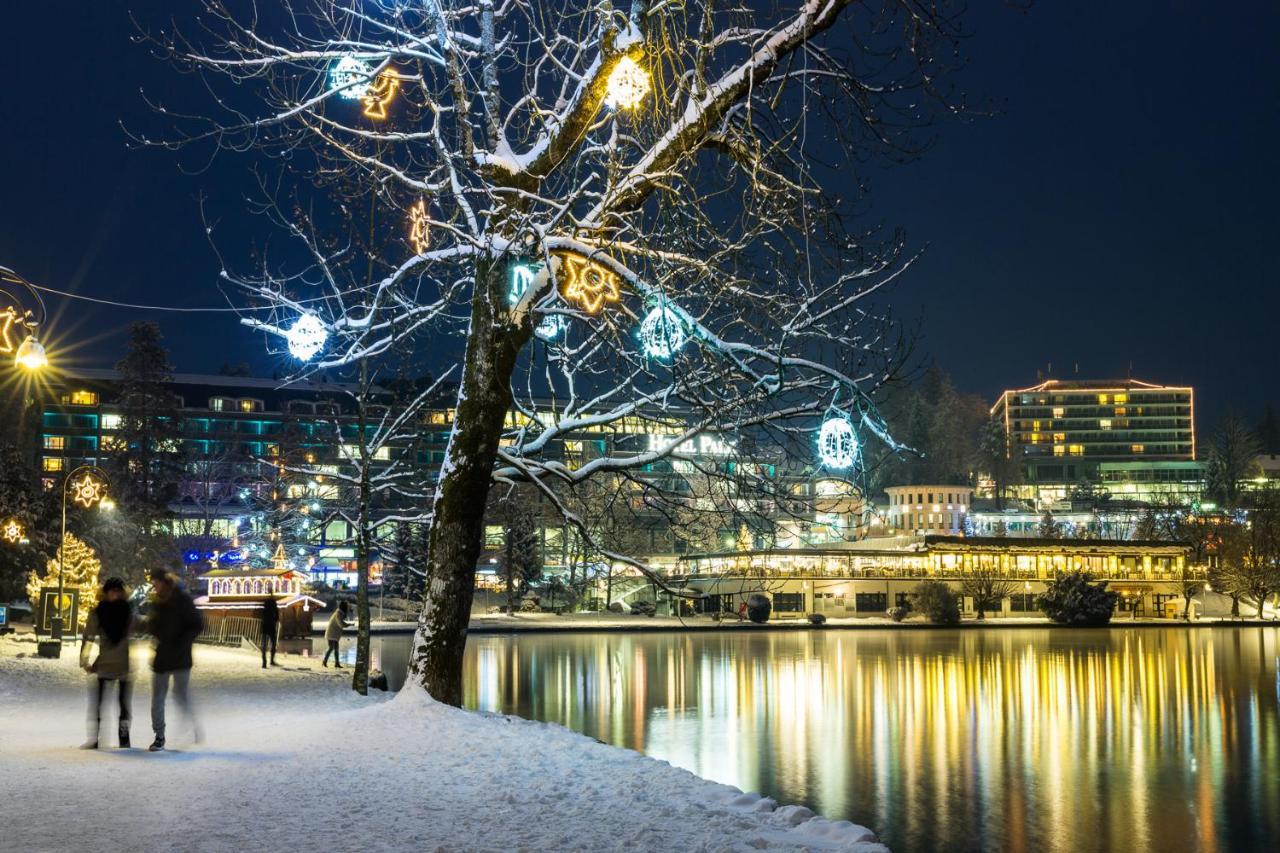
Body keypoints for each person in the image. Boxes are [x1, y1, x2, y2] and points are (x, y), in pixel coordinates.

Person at [146, 570, 205, 752]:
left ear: (165, 583)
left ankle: (190, 726)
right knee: (157, 698)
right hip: (163, 656)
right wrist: (153, 629)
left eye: (156, 583)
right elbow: (154, 625)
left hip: (180, 656)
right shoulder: (157, 603)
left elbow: (197, 624)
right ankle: (159, 736)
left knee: (181, 696)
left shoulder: (183, 600)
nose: (154, 587)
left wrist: (182, 642)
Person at [79, 577, 134, 749]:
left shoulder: (126, 612)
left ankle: (123, 740)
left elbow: (142, 625)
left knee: (123, 705)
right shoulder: (100, 613)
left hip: (123, 664)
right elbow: (88, 637)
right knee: (99, 704)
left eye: (118, 591)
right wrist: (84, 660)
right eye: (112, 590)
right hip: (107, 664)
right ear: (106, 592)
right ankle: (95, 738)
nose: (115, 594)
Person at [322, 602, 349, 668]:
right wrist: (346, 625)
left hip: (333, 634)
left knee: (335, 648)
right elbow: (340, 624)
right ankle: (324, 661)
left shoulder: (339, 613)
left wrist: (347, 624)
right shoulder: (338, 614)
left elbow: (341, 622)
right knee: (331, 648)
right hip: (331, 634)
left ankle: (336, 663)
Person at [260, 596, 280, 669]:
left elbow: (261, 616)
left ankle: (264, 662)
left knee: (264, 645)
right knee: (273, 643)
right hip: (271, 626)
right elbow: (277, 617)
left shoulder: (265, 609)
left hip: (265, 626)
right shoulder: (273, 608)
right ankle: (271, 660)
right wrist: (275, 620)